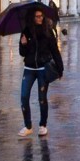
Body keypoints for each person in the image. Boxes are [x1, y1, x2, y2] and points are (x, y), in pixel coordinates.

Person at [18, 8, 64, 138]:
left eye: (41, 16)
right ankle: (28, 126)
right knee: (24, 97)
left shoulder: (48, 31)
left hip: (43, 68)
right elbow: (22, 53)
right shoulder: (26, 31)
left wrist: (60, 69)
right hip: (29, 68)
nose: (40, 19)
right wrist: (24, 44)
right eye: (37, 16)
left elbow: (55, 50)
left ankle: (43, 125)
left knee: (42, 99)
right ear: (32, 18)